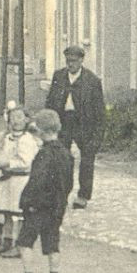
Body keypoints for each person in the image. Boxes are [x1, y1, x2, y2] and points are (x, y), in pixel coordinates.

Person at [11, 109, 76, 273]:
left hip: (38, 206)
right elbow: (69, 182)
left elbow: (36, 182)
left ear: (40, 131)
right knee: (52, 243)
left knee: (24, 242)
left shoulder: (43, 155)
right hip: (57, 206)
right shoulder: (65, 153)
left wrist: (26, 202)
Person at [45, 45, 106, 210]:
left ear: (81, 61)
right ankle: (61, 194)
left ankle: (83, 196)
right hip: (63, 122)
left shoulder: (92, 81)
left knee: (87, 160)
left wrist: (97, 136)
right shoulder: (59, 76)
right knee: (62, 159)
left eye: (73, 61)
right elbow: (50, 102)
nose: (70, 64)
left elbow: (100, 112)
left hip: (84, 124)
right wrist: (48, 125)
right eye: (67, 61)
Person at [0, 102, 37, 257]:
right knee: (6, 212)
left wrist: (8, 163)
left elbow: (26, 163)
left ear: (27, 120)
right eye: (12, 117)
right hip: (7, 180)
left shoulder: (26, 140)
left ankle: (20, 245)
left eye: (19, 117)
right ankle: (6, 241)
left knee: (19, 214)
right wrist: (5, 130)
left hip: (19, 181)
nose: (16, 121)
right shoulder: (9, 136)